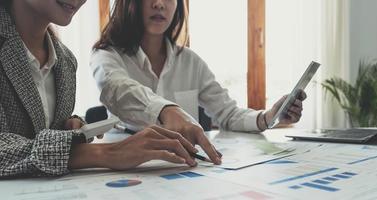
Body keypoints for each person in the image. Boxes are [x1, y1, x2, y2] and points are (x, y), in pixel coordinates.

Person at [0, 0, 200, 178]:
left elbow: (34, 139)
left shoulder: (66, 61)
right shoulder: (103, 56)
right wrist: (105, 153)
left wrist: (68, 127)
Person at [91, 0, 306, 160]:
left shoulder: (190, 61)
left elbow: (228, 114)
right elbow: (116, 89)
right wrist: (166, 110)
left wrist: (267, 117)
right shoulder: (107, 55)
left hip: (186, 167)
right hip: (129, 167)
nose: (159, 4)